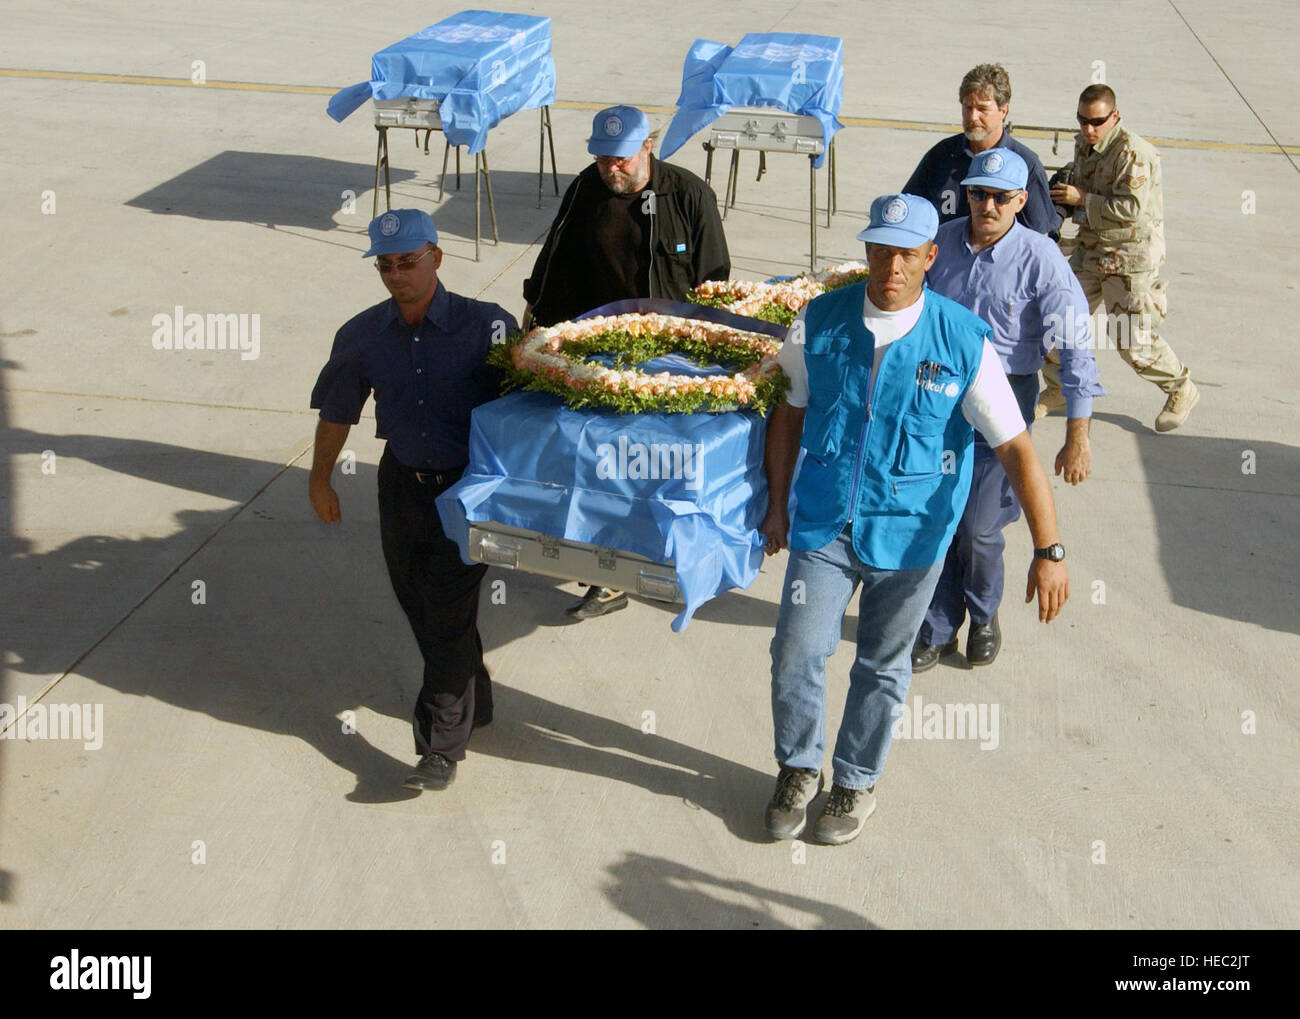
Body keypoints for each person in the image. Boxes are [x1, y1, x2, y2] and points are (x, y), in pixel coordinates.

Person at [759, 194, 1070, 846]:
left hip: (913, 536)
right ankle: (797, 767)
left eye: (907, 252)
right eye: (880, 248)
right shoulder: (819, 321)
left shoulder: (960, 341)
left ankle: (854, 779)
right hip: (824, 524)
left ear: (932, 256)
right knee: (795, 650)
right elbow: (789, 408)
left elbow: (1015, 447)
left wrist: (1050, 550)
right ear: (867, 250)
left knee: (881, 663)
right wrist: (776, 503)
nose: (891, 264)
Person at [309, 209, 517, 792]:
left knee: (447, 613)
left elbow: (526, 412)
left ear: (437, 258)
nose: (397, 275)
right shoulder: (361, 336)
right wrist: (319, 479)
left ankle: (440, 747)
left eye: (408, 262)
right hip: (401, 485)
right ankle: (480, 701)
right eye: (386, 265)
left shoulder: (489, 328)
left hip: (468, 492)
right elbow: (337, 412)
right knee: (420, 605)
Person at [522, 104, 731, 619]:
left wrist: (718, 357)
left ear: (647, 147)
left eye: (619, 159)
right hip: (597, 354)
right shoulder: (583, 191)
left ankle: (672, 557)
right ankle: (606, 573)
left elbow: (716, 284)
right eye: (601, 160)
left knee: (662, 469)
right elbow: (552, 262)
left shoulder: (688, 195)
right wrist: (536, 323)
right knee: (598, 466)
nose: (610, 169)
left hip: (672, 359)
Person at [911, 149, 1102, 672]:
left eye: (1000, 197)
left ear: (1021, 200)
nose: (987, 206)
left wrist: (1078, 436)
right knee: (934, 517)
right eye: (978, 194)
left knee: (977, 527)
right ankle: (937, 626)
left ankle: (984, 613)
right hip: (936, 395)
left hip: (1004, 399)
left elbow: (1077, 347)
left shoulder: (1041, 258)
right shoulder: (940, 244)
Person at [1041, 84, 1198, 432]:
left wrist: (1081, 198)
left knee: (1131, 341)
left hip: (1129, 255)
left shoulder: (1134, 153)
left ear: (1114, 116)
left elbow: (1130, 209)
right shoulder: (1085, 143)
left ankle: (1180, 387)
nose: (1088, 129)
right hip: (1092, 248)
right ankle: (1059, 387)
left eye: (1096, 121)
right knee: (1056, 315)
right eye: (1082, 120)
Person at [904, 63, 1057, 235]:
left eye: (982, 109)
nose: (972, 117)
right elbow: (909, 214)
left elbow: (1039, 236)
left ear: (1003, 110)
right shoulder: (941, 156)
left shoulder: (1026, 164)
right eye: (967, 108)